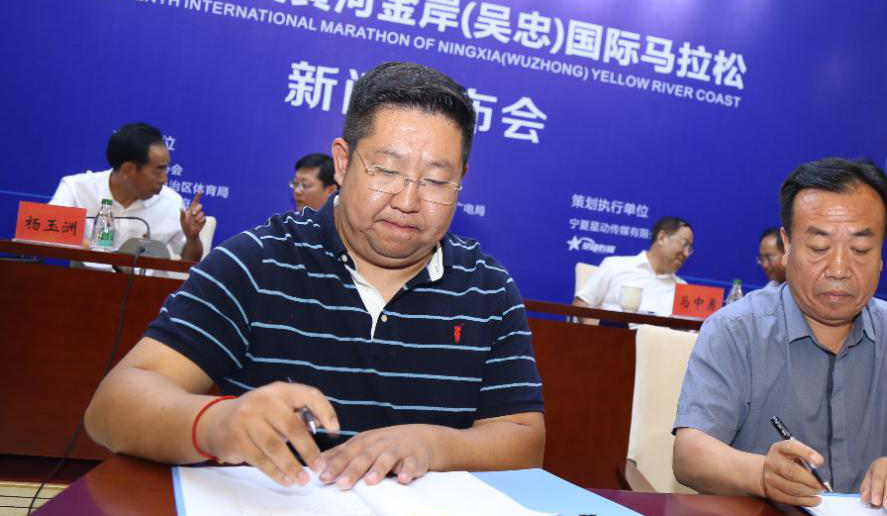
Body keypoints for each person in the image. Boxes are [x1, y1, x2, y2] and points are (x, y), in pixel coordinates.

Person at [84, 62, 545, 490]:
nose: (407, 201)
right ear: (342, 162)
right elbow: (111, 409)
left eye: (437, 181)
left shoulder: (487, 288)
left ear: (462, 177)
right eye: (387, 170)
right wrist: (217, 422)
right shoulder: (259, 261)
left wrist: (431, 444)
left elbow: (525, 442)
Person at [673, 157, 887, 515]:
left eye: (860, 250)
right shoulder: (735, 330)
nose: (839, 269)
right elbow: (690, 453)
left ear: (882, 254)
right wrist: (761, 474)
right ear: (787, 245)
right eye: (819, 248)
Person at [50, 122, 206, 261]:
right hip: (84, 281)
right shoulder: (76, 188)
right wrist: (99, 253)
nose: (165, 179)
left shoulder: (171, 202)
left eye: (166, 168)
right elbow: (46, 231)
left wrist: (192, 238)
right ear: (128, 170)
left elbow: (190, 260)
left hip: (144, 284)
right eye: (159, 169)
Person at [573, 217, 694, 317]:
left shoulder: (683, 289)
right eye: (684, 244)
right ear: (662, 238)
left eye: (689, 248)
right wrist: (597, 330)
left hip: (658, 339)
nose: (686, 253)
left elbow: (688, 331)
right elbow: (582, 303)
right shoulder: (615, 266)